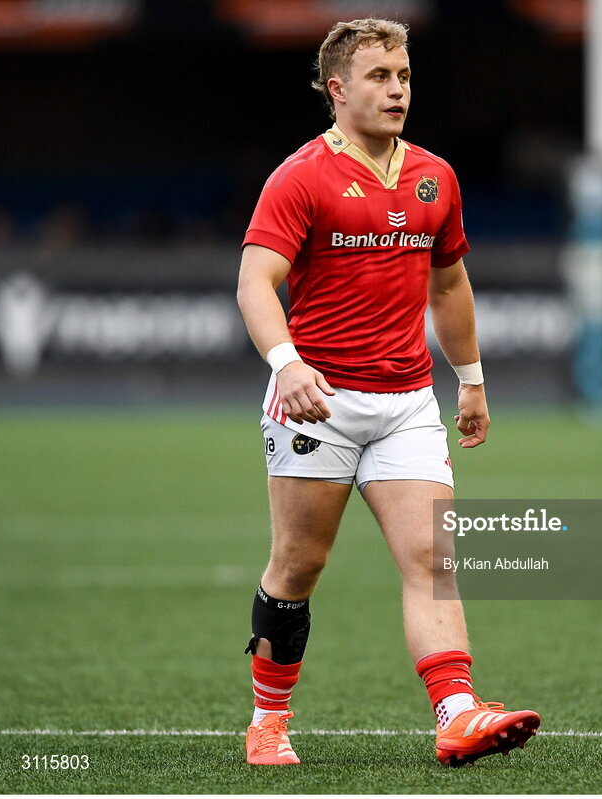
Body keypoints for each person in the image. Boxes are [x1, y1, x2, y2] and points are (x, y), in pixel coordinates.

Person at [235, 18, 540, 766]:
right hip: (319, 403)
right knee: (299, 565)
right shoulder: (301, 176)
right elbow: (254, 283)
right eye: (379, 76)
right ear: (337, 89)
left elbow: (450, 283)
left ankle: (459, 712)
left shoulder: (436, 175)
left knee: (431, 558)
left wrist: (470, 380)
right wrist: (287, 363)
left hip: (407, 402)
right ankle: (268, 720)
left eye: (403, 75)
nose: (397, 88)